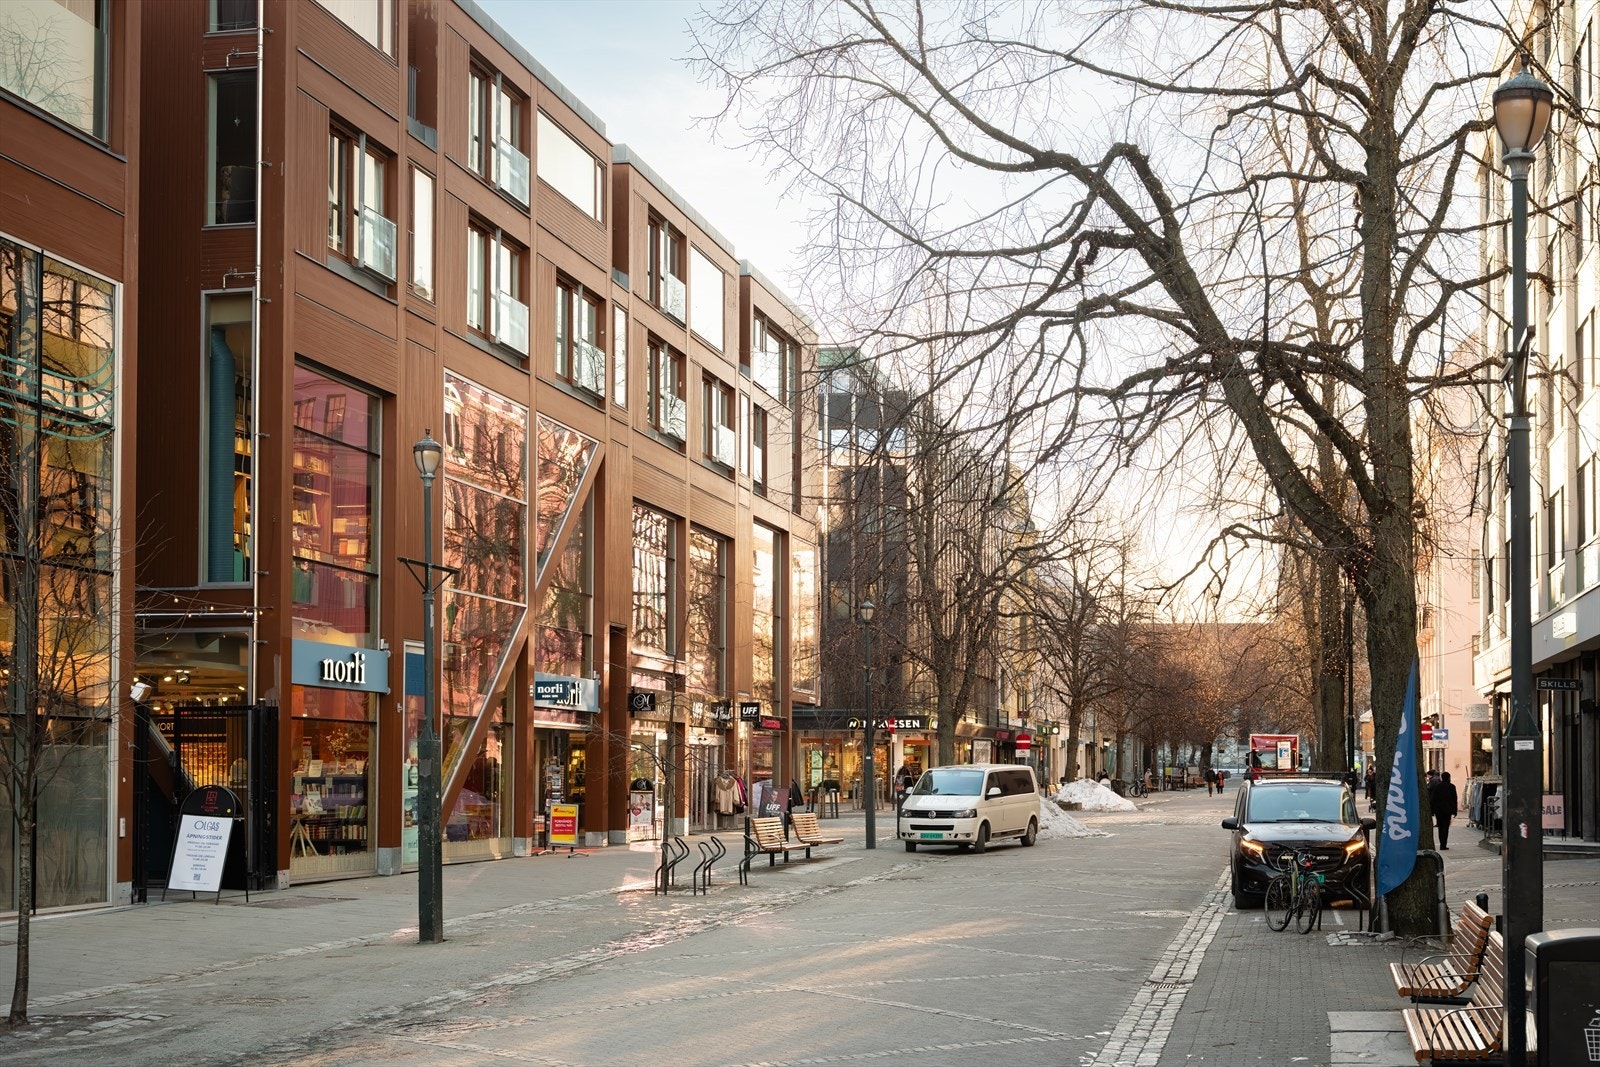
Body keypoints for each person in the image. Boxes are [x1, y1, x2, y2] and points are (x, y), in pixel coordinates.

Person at [1429, 770, 1458, 850]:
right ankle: (1444, 844)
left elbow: (1434, 799)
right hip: (1447, 810)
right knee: (1446, 827)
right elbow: (1454, 799)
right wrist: (1455, 811)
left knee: (1440, 827)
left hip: (1439, 810)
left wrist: (1432, 810)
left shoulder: (1438, 786)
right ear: (1449, 778)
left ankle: (1442, 843)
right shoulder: (1452, 786)